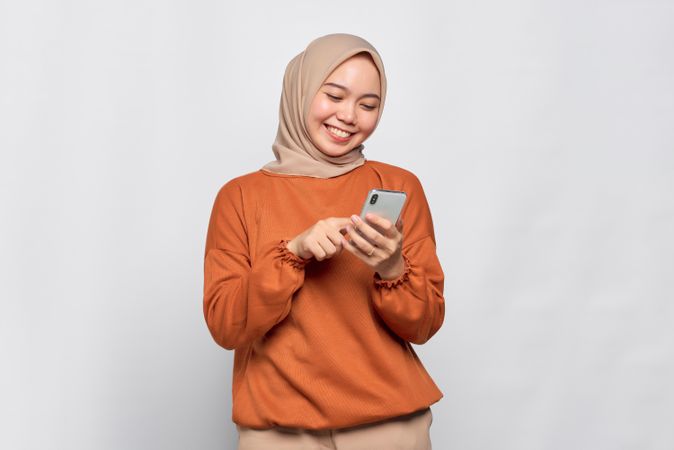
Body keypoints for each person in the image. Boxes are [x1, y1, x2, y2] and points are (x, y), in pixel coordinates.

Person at [203, 33, 445, 450]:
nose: (349, 116)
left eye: (368, 105)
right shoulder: (240, 197)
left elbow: (424, 325)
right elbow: (227, 326)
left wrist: (391, 269)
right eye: (333, 95)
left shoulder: (398, 186)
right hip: (278, 431)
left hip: (389, 426)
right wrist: (291, 253)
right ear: (301, 90)